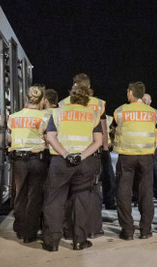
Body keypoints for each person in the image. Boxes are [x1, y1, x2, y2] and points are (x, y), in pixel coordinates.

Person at [42, 84, 103, 251]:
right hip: (84, 163)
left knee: (54, 200)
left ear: (71, 97)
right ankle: (79, 240)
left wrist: (65, 154)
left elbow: (51, 137)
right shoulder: (93, 115)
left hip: (61, 162)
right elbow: (97, 141)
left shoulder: (58, 113)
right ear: (86, 98)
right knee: (81, 200)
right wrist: (81, 156)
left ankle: (52, 242)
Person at [113, 82, 157, 240]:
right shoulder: (154, 113)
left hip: (126, 156)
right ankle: (146, 230)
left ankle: (127, 231)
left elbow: (116, 126)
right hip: (146, 156)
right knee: (146, 193)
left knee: (123, 193)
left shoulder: (120, 111)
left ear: (131, 93)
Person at [60, 74, 115, 211]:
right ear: (89, 86)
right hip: (94, 147)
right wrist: (105, 146)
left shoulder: (63, 103)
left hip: (70, 147)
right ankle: (107, 203)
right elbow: (103, 127)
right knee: (100, 179)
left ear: (74, 85)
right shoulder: (98, 104)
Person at [7, 86, 50, 243]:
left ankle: (19, 228)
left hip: (19, 161)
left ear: (26, 98)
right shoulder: (45, 117)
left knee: (20, 195)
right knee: (35, 196)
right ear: (41, 100)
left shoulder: (13, 117)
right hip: (37, 160)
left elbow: (10, 139)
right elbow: (48, 139)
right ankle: (29, 233)